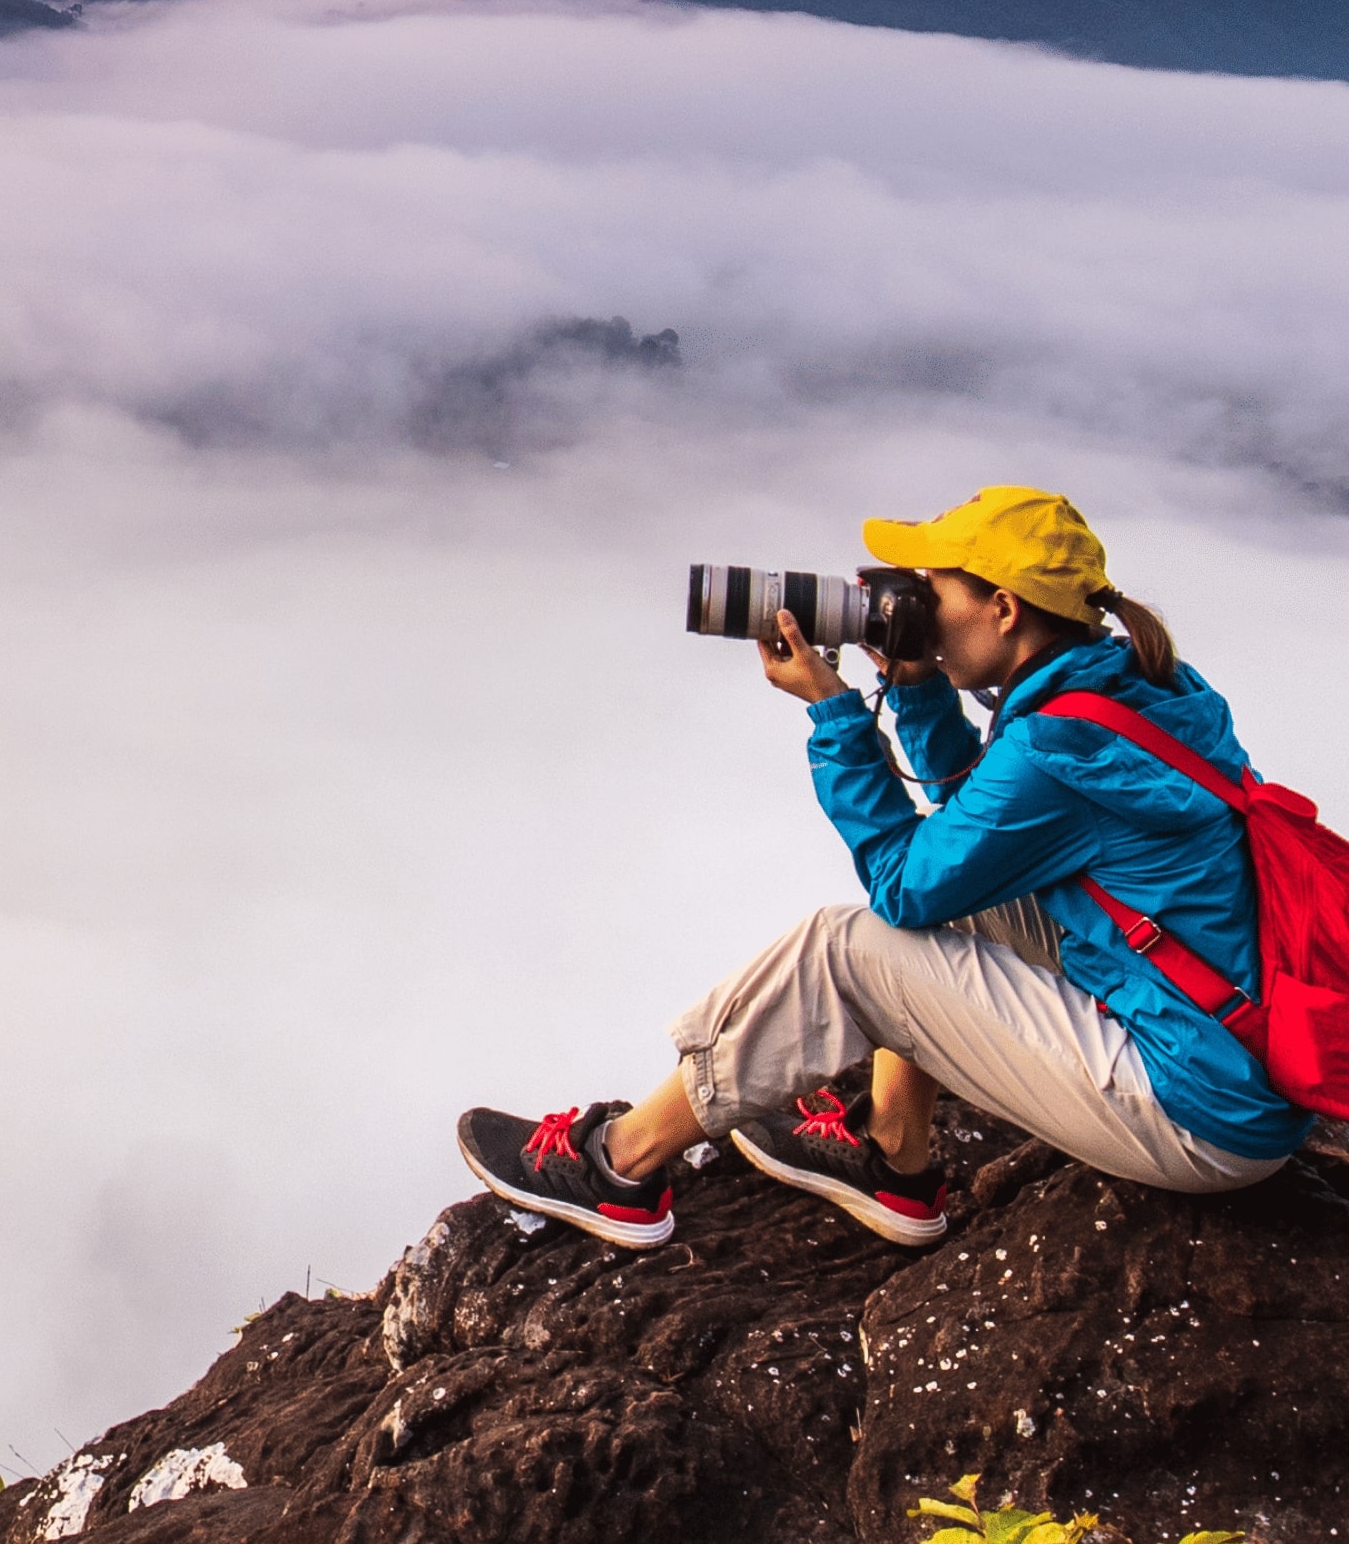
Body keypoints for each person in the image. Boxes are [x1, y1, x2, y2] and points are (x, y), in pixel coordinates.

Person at [459, 485, 1308, 1251]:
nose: (914, 605)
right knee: (949, 901)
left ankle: (620, 1167)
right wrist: (918, 689)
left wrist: (836, 716)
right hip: (1228, 1049)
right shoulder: (1137, 682)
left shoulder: (1057, 740)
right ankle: (893, 1159)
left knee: (847, 944)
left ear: (1003, 609)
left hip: (1198, 1111)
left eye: (932, 590)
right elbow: (984, 832)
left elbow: (906, 884)